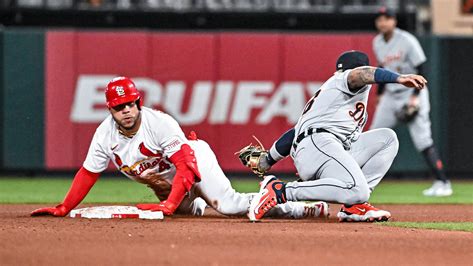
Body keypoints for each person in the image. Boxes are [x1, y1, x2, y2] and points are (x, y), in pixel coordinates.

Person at [30, 77, 328, 219]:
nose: (127, 111)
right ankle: (190, 204)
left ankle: (303, 207)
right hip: (168, 180)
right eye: (119, 107)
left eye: (130, 104)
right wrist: (64, 207)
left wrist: (169, 204)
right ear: (110, 110)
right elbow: (88, 173)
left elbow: (186, 165)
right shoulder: (104, 135)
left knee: (229, 205)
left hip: (192, 161)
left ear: (138, 103)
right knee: (185, 211)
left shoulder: (158, 123)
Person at [246, 50, 427, 222]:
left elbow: (294, 132)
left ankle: (355, 206)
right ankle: (282, 191)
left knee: (388, 139)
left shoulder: (333, 98)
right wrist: (399, 78)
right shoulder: (343, 79)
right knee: (358, 189)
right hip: (319, 144)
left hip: (323, 149)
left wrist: (268, 160)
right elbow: (361, 74)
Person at [371, 8, 452, 197]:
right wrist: (380, 94)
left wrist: (416, 97)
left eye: (387, 19)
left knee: (423, 140)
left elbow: (421, 68)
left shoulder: (407, 40)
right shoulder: (377, 42)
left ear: (394, 21)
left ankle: (443, 182)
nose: (383, 22)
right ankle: (357, 181)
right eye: (380, 19)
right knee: (372, 136)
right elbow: (383, 68)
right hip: (391, 94)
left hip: (412, 92)